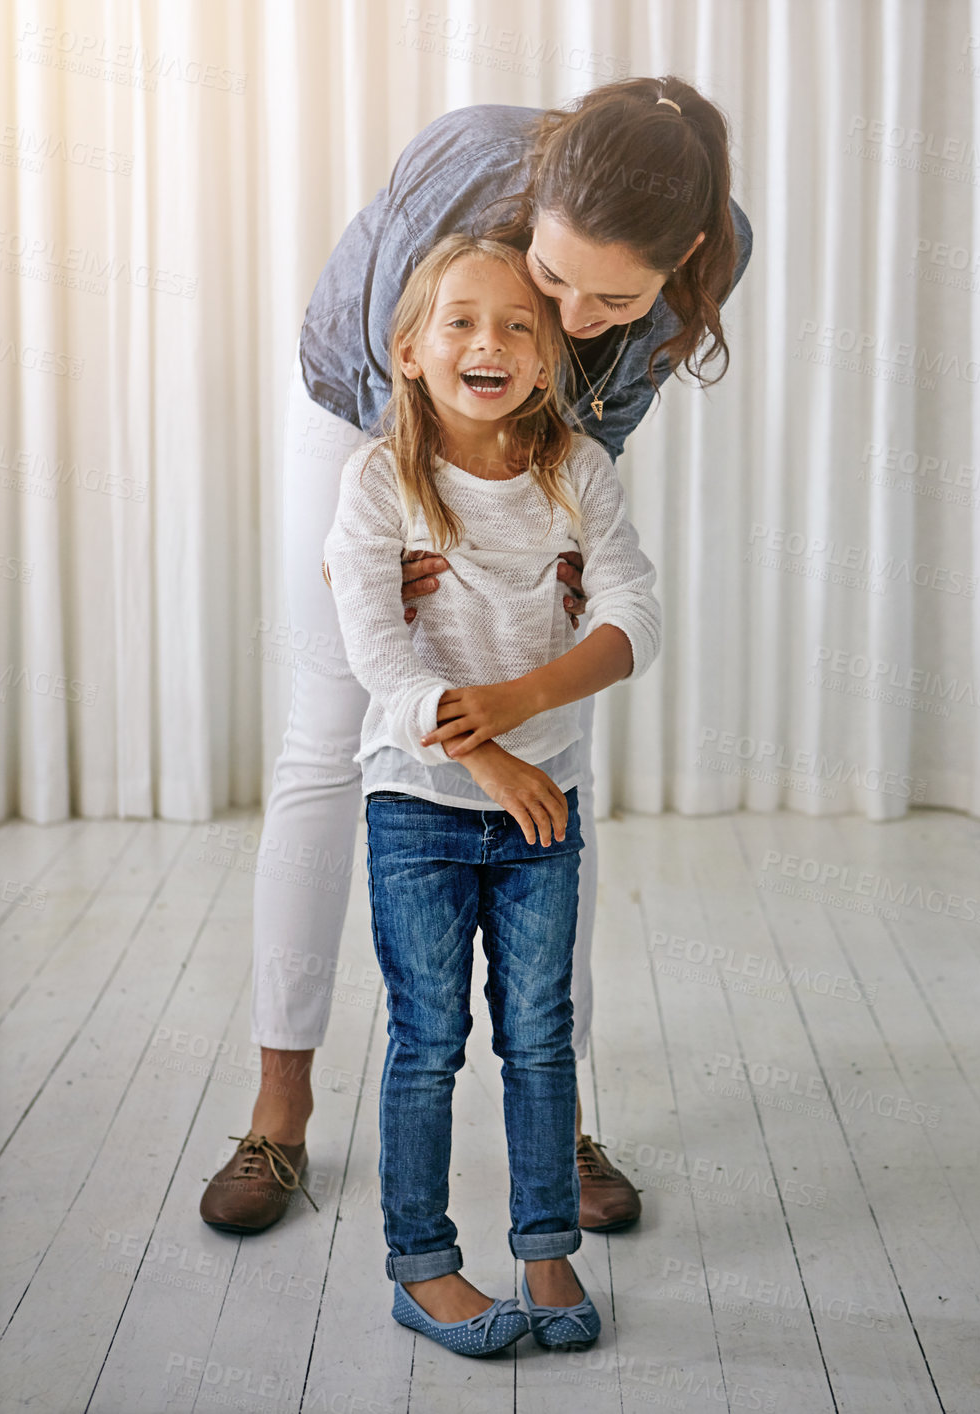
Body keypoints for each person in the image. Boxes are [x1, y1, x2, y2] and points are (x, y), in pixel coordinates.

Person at [198, 75, 751, 1237]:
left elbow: (591, 431)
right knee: (328, 726)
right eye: (555, 277)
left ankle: (566, 1114)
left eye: (617, 294)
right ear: (536, 199)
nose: (581, 309)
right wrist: (380, 548)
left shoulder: (714, 249)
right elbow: (393, 390)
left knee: (559, 752)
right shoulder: (462, 162)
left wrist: (535, 555)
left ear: (685, 255)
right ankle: (279, 1107)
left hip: (539, 424)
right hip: (371, 407)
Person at [325, 233, 660, 1355]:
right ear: (410, 350)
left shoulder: (580, 473)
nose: (492, 341)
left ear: (552, 353)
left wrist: (523, 705)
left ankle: (545, 1247)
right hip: (417, 807)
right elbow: (377, 650)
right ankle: (422, 1268)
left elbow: (633, 621)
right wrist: (484, 755)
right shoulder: (380, 481)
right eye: (462, 320)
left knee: (542, 1037)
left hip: (543, 810)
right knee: (426, 1039)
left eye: (521, 323)